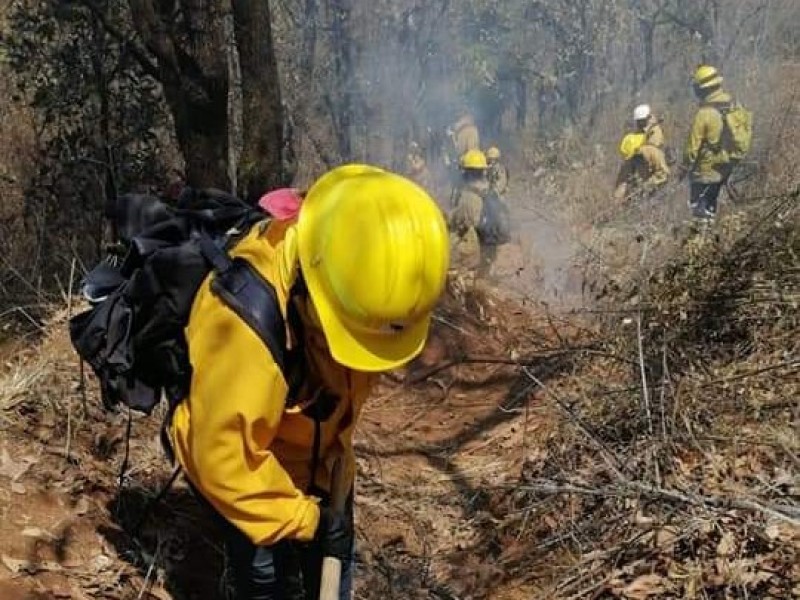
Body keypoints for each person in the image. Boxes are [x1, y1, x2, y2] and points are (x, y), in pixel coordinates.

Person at [168, 165, 449, 599]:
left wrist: (329, 505)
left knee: (333, 575)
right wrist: (309, 521)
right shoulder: (242, 324)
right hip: (249, 473)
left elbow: (346, 385)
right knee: (266, 579)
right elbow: (224, 460)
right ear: (316, 288)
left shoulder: (362, 269)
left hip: (321, 463)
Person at [681, 65, 738, 219]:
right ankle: (712, 238)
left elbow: (692, 149)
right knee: (711, 208)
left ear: (703, 89)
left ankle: (701, 240)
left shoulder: (704, 114)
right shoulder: (733, 106)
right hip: (725, 168)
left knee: (699, 213)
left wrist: (683, 168)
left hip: (705, 172)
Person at [449, 149, 496, 276]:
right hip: (487, 246)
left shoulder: (469, 196)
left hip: (471, 248)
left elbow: (460, 222)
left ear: (467, 171)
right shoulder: (488, 190)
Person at [613, 105, 670, 202]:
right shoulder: (635, 144)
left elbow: (664, 174)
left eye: (641, 121)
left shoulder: (652, 147)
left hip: (658, 189)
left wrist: (645, 187)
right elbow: (623, 180)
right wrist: (617, 200)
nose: (639, 124)